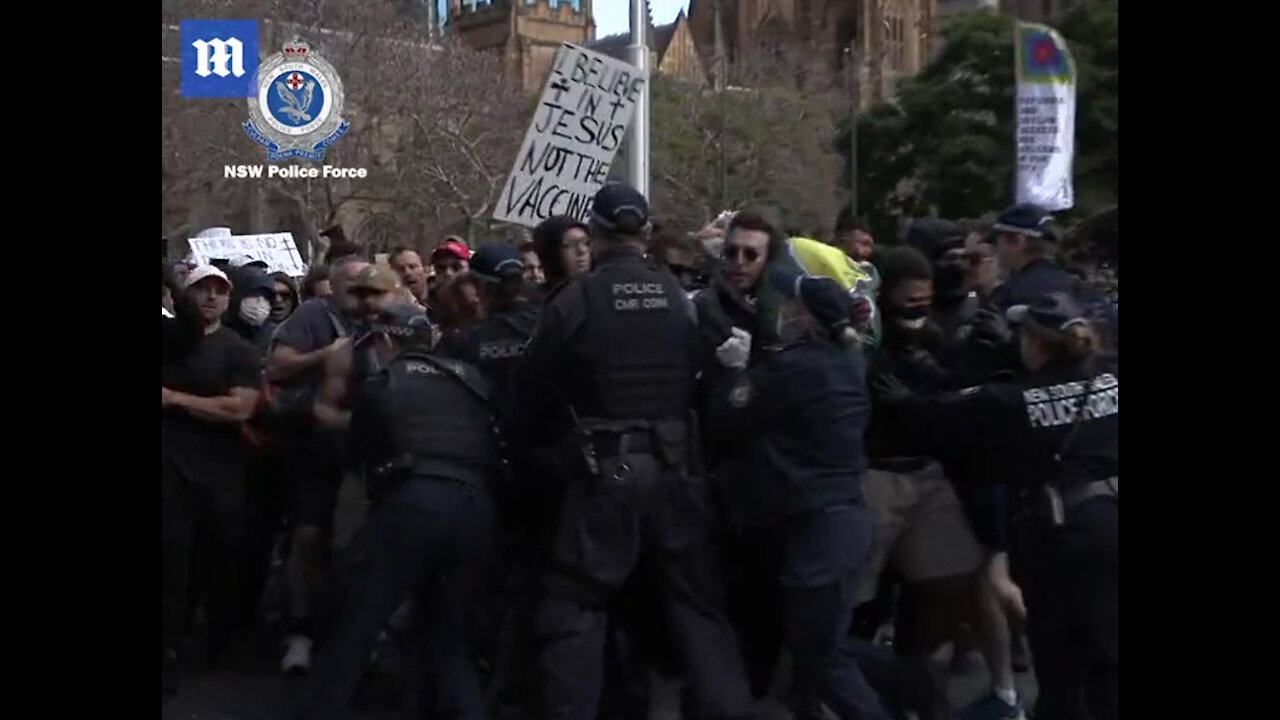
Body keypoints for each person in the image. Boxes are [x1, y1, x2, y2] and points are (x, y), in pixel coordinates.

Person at [513, 182, 756, 720]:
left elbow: (527, 386)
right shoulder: (679, 298)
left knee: (574, 608)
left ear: (596, 235)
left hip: (605, 477)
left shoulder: (577, 299)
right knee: (698, 610)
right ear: (644, 234)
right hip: (679, 471)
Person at [874, 292, 1118, 720]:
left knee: (1062, 666)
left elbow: (948, 416)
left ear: (1036, 343)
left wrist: (904, 399)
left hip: (1063, 541)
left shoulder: (1009, 401)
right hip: (1112, 521)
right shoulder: (1112, 375)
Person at [290, 304, 500, 720]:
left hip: (414, 505)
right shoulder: (472, 379)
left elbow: (359, 455)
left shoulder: (382, 382)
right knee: (450, 642)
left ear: (385, 342)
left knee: (356, 624)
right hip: (478, 507)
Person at [704, 266, 893, 720]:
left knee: (823, 657)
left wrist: (732, 372)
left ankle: (903, 688)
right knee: (815, 652)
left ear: (807, 318)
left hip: (820, 535)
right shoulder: (847, 361)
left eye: (793, 304)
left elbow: (726, 419)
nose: (784, 310)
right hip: (838, 526)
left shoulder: (793, 369)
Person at [861, 246, 994, 720]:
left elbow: (957, 397)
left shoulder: (935, 337)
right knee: (858, 598)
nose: (916, 308)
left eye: (924, 299)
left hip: (928, 473)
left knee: (951, 579)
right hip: (875, 473)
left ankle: (908, 671)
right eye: (908, 299)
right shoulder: (867, 338)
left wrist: (931, 378)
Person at [162, 265, 262, 696]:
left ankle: (222, 644)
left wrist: (173, 400)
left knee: (221, 558)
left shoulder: (238, 351)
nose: (210, 298)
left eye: (219, 291)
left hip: (221, 472)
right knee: (169, 563)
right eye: (201, 290)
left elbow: (240, 409)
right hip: (169, 470)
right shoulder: (168, 343)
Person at [266, 256, 368, 674]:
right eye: (351, 284)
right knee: (309, 538)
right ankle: (301, 631)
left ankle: (354, 634)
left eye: (369, 285)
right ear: (333, 285)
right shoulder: (313, 315)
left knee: (357, 545)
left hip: (364, 450)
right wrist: (326, 354)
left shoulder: (389, 317)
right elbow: (277, 366)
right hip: (313, 446)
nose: (360, 293)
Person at [313, 264, 398, 432]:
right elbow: (324, 409)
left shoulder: (429, 339)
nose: (368, 301)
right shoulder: (346, 351)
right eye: (362, 295)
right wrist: (363, 426)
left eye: (377, 293)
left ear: (398, 294)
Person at [986, 204, 1074, 311]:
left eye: (996, 242)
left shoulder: (1008, 293)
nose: (995, 250)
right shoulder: (1070, 284)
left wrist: (972, 295)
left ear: (1018, 241)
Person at [531, 215, 592, 297]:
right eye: (569, 244)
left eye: (586, 243)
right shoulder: (534, 303)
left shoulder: (604, 294)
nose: (582, 250)